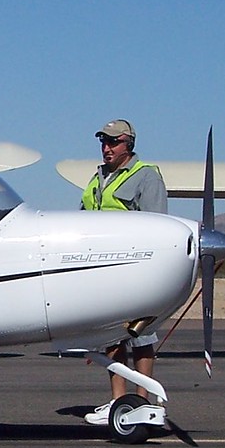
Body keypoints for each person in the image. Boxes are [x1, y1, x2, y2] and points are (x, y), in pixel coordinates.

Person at [80, 119, 169, 401]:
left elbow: (158, 227)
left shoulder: (146, 176)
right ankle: (118, 400)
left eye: (113, 142)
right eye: (103, 142)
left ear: (128, 144)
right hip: (102, 271)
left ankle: (142, 399)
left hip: (134, 272)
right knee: (113, 338)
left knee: (141, 336)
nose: (107, 148)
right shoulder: (98, 178)